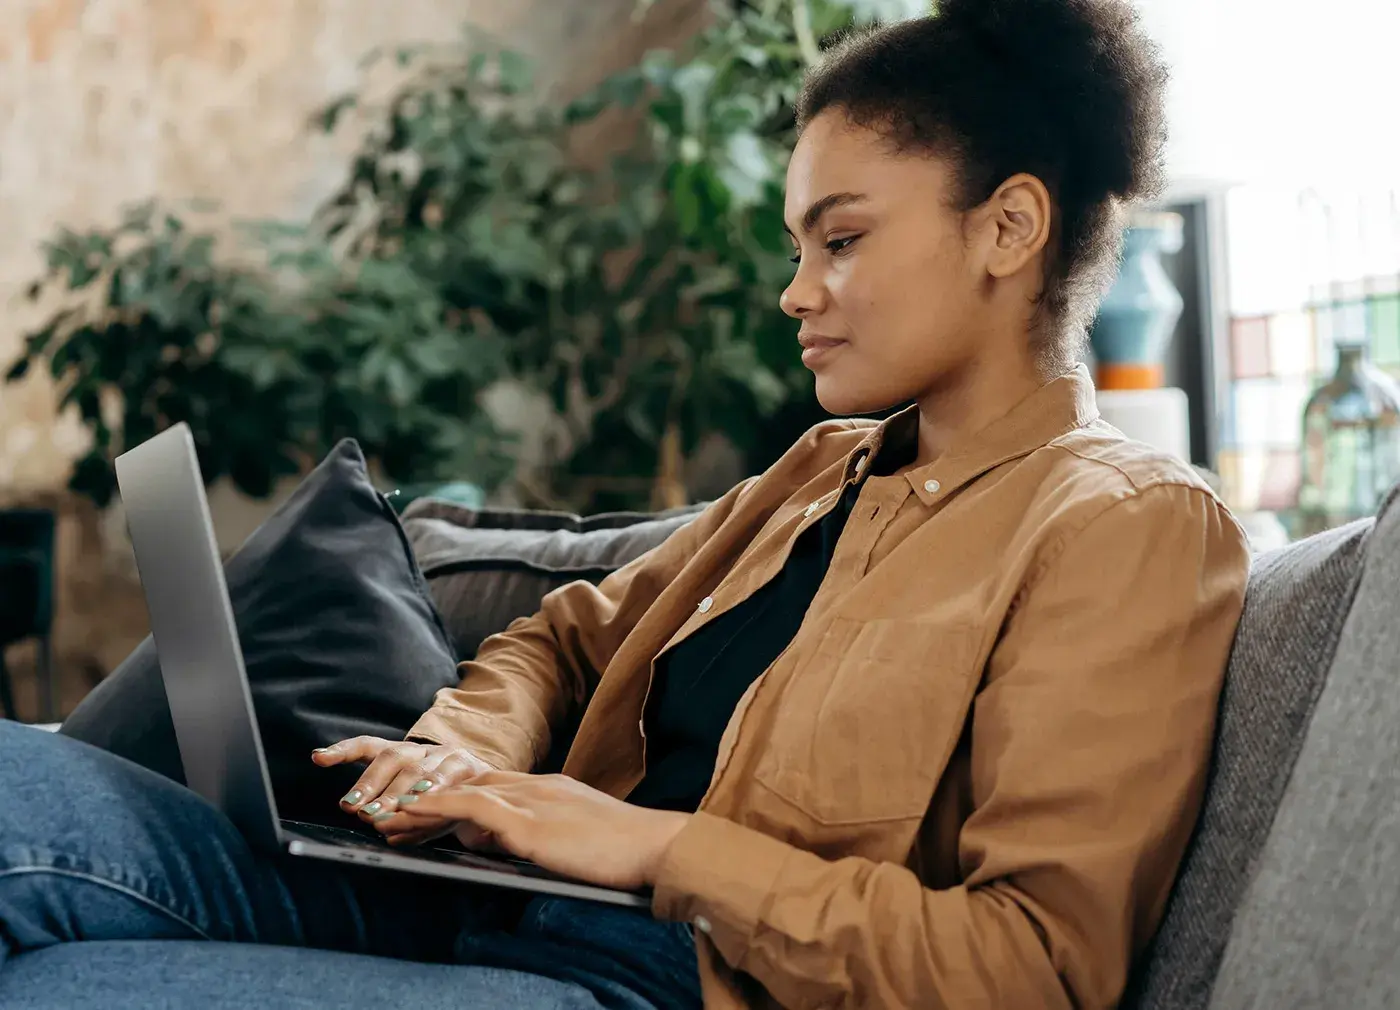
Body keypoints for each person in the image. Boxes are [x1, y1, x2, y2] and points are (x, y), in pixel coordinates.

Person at [0, 1, 1250, 1007]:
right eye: (797, 245)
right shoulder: (816, 474)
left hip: (647, 973)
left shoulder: (1118, 526)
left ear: (1009, 227)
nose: (795, 291)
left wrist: (651, 847)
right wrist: (467, 748)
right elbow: (563, 633)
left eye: (842, 239)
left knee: (61, 984)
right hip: (471, 906)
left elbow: (1032, 967)